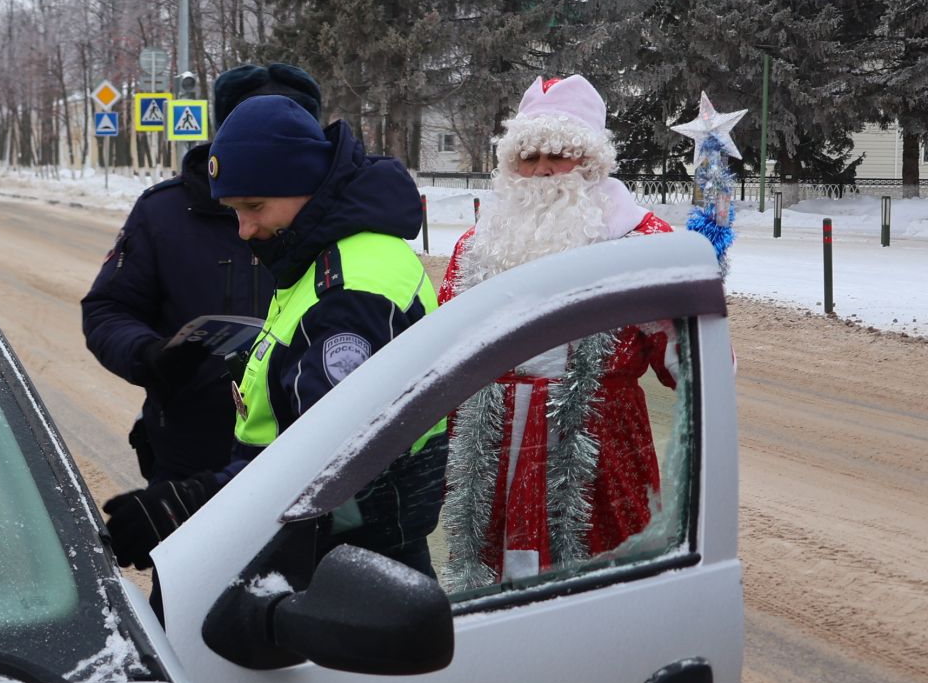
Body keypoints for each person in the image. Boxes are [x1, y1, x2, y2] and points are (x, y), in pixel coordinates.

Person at [99, 92, 445, 577]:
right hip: (322, 545)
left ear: (304, 183)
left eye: (254, 206)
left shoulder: (350, 290)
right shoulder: (327, 252)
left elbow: (332, 466)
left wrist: (194, 503)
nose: (243, 229)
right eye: (233, 211)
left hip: (346, 565)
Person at [436, 75, 676, 588]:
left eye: (559, 154)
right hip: (492, 449)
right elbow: (444, 351)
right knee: (489, 594)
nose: (542, 170)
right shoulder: (479, 244)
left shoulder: (642, 240)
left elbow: (686, 366)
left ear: (590, 162)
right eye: (529, 157)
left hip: (599, 450)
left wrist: (700, 306)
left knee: (602, 590)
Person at [79, 64, 324, 483]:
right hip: (190, 458)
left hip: (312, 460)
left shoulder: (341, 221)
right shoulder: (164, 213)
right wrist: (150, 356)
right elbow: (108, 309)